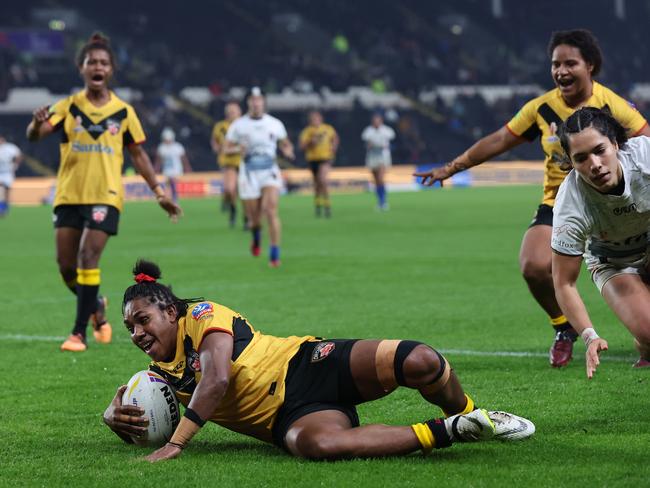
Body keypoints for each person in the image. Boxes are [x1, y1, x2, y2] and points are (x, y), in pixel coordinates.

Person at [103, 259, 534, 462]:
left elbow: (216, 379)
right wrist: (112, 416)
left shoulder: (201, 316)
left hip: (307, 362)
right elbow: (135, 401)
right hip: (291, 418)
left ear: (170, 312)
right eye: (130, 329)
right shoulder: (160, 374)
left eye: (143, 320)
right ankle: (453, 429)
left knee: (421, 360)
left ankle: (476, 414)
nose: (138, 334)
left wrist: (177, 444)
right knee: (317, 446)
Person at [414, 29, 650, 368]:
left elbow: (644, 146)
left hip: (627, 207)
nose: (561, 71)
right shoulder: (541, 108)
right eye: (555, 64)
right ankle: (563, 327)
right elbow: (498, 140)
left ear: (591, 66)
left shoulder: (613, 106)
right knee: (533, 265)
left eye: (570, 63)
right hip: (563, 202)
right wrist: (452, 168)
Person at [25, 33, 182, 353]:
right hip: (69, 194)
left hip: (106, 195)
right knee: (66, 266)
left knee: (87, 256)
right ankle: (96, 304)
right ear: (81, 68)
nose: (97, 66)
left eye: (103, 62)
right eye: (91, 62)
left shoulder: (123, 112)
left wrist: (158, 191)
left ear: (111, 70)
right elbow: (35, 136)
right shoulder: (68, 107)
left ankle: (78, 333)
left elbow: (138, 155)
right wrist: (34, 123)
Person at [552, 107, 650, 378]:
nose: (594, 164)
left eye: (599, 150)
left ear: (616, 144)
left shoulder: (645, 157)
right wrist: (589, 335)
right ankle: (645, 344)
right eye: (581, 158)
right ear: (571, 162)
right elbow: (564, 282)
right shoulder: (570, 204)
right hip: (614, 262)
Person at [224, 87, 294, 267]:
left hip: (269, 171)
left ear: (263, 102)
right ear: (248, 102)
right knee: (255, 219)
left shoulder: (275, 123)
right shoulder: (238, 125)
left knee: (271, 211)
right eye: (252, 99)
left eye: (259, 99)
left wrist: (287, 150)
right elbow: (226, 148)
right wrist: (239, 149)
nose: (256, 103)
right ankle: (256, 236)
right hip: (249, 174)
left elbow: (285, 143)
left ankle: (274, 253)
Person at [299, 110, 339, 217]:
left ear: (321, 119)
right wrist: (311, 142)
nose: (315, 120)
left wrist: (333, 148)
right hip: (313, 159)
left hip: (325, 158)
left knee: (323, 180)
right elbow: (302, 146)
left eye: (317, 118)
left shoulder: (327, 128)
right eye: (313, 119)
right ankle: (318, 205)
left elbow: (335, 138)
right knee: (317, 184)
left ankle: (327, 206)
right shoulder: (307, 131)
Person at [211, 101, 243, 227]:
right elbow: (214, 140)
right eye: (229, 111)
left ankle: (247, 218)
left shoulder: (245, 125)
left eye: (234, 111)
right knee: (230, 189)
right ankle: (233, 211)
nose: (231, 114)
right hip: (228, 162)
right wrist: (216, 148)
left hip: (245, 162)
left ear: (239, 112)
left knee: (244, 191)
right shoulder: (221, 126)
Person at [362, 113, 395, 211]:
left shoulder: (387, 130)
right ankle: (380, 201)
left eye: (378, 120)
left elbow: (390, 143)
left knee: (380, 178)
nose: (376, 122)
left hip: (383, 156)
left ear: (381, 121)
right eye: (374, 120)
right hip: (372, 157)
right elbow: (367, 144)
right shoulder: (368, 131)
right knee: (376, 180)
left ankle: (383, 201)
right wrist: (370, 145)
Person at [154, 128, 192, 202]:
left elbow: (184, 159)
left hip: (176, 169)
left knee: (172, 183)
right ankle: (170, 200)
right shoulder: (161, 148)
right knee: (168, 186)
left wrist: (187, 167)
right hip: (166, 170)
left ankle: (174, 199)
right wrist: (156, 169)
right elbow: (158, 161)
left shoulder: (177, 147)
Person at [0, 135, 23, 217]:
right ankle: (1, 208)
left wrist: (16, 165)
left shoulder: (10, 147)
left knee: (7, 191)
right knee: (1, 189)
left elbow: (19, 155)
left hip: (7, 172)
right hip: (0, 173)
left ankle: (5, 207)